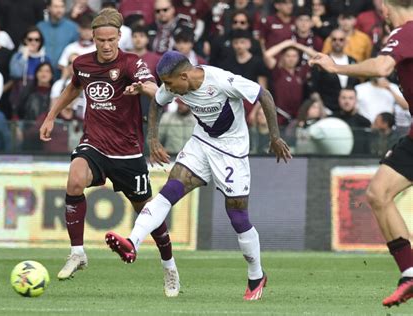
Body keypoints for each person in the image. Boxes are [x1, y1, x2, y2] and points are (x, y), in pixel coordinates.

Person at [104, 50, 292, 301]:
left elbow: (264, 95)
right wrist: (152, 139)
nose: (168, 89)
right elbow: (157, 104)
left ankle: (256, 274)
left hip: (232, 152)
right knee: (169, 191)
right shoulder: (174, 84)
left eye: (170, 84)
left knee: (237, 216)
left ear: (183, 75)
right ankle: (132, 242)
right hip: (201, 144)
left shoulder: (221, 80)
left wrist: (274, 136)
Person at [38, 8, 180, 298]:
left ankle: (170, 267)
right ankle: (77, 253)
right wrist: (52, 114)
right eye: (100, 40)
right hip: (95, 144)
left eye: (111, 40)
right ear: (93, 38)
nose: (105, 45)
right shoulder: (82, 63)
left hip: (127, 152)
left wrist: (144, 88)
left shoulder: (130, 63)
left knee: (148, 214)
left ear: (119, 37)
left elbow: (152, 87)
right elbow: (74, 87)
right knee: (74, 179)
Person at [310, 0, 413, 307]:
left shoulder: (405, 33)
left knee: (379, 193)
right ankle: (409, 273)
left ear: (383, 5)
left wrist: (335, 66)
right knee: (379, 193)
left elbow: (382, 67)